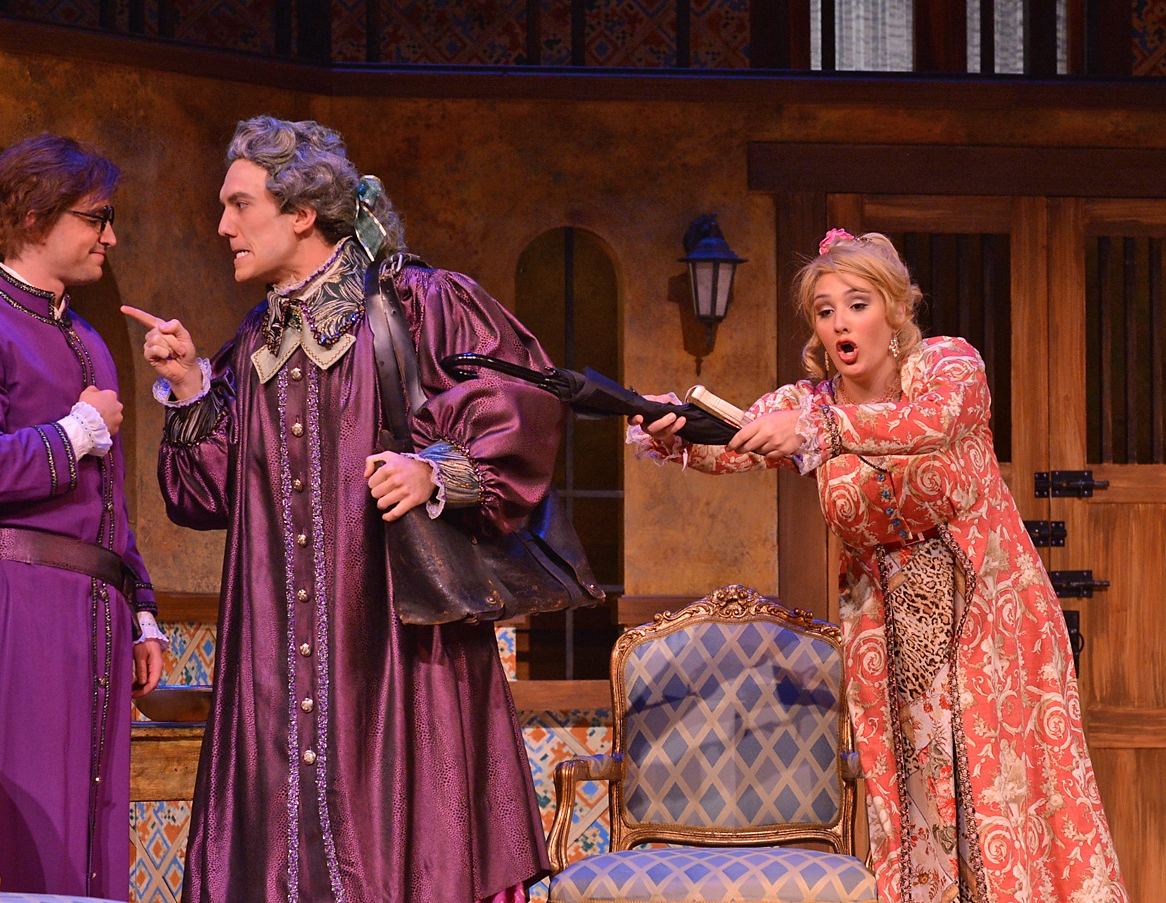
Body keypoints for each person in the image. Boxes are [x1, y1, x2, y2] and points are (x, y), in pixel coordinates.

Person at [123, 115, 557, 903]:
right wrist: (189, 387)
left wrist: (435, 471)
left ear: (300, 212)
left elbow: (520, 407)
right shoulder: (252, 344)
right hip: (274, 660)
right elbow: (204, 494)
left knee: (403, 850)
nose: (222, 226)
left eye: (239, 204)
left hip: (393, 650)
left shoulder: (415, 305)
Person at [629, 230, 1127, 903]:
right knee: (916, 802)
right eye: (824, 309)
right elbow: (739, 441)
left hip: (987, 616)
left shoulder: (948, 367)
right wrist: (674, 429)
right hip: (888, 631)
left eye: (856, 304)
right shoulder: (809, 403)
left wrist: (823, 432)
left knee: (999, 796)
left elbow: (927, 425)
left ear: (893, 310)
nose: (839, 321)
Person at [0, 133, 166, 900]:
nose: (109, 236)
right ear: (34, 216)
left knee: (92, 815)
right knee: (27, 814)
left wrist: (143, 610)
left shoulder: (88, 340)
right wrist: (75, 431)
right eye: (96, 217)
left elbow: (109, 501)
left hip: (94, 610)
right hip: (18, 600)